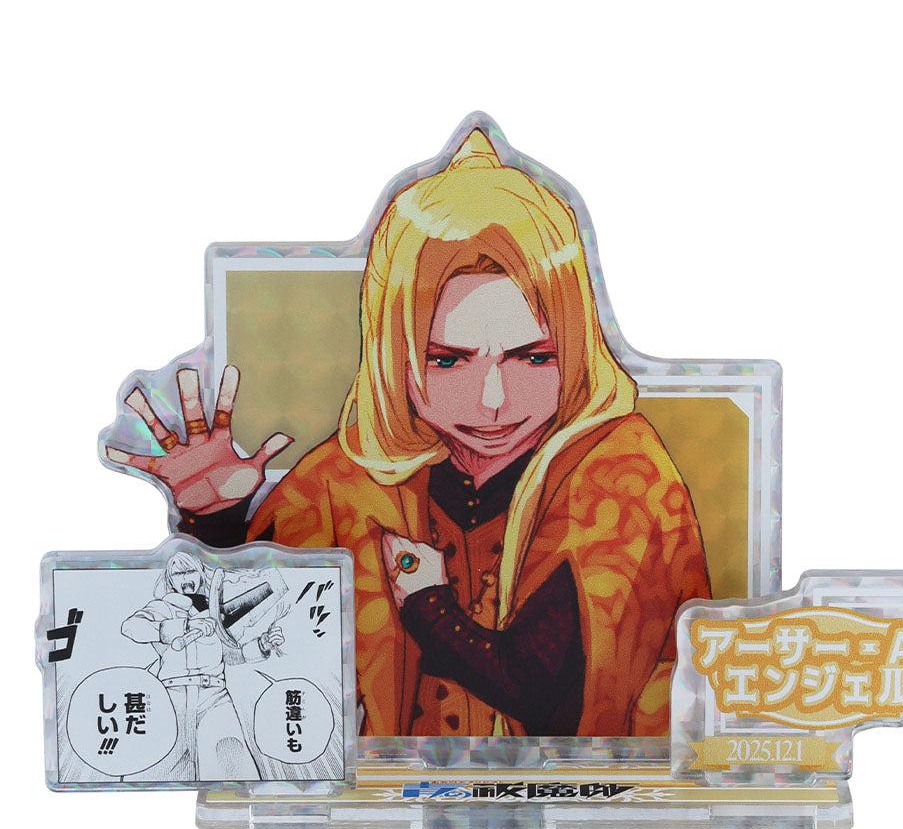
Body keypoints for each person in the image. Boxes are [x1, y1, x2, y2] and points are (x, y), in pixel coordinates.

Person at [107, 130, 711, 738]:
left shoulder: (622, 473)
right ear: (393, 356)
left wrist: (429, 607)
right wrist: (213, 522)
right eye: (447, 360)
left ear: (576, 349)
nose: (493, 401)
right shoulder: (346, 480)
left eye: (533, 358)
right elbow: (236, 652)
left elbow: (548, 692)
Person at [121, 551, 283, 779]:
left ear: (199, 574)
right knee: (155, 769)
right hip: (172, 698)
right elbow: (131, 627)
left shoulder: (215, 611)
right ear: (170, 579)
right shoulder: (162, 608)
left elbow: (230, 655)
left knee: (232, 759)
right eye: (178, 574)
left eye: (190, 571)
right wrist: (183, 626)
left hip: (215, 698)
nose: (185, 578)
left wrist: (262, 644)